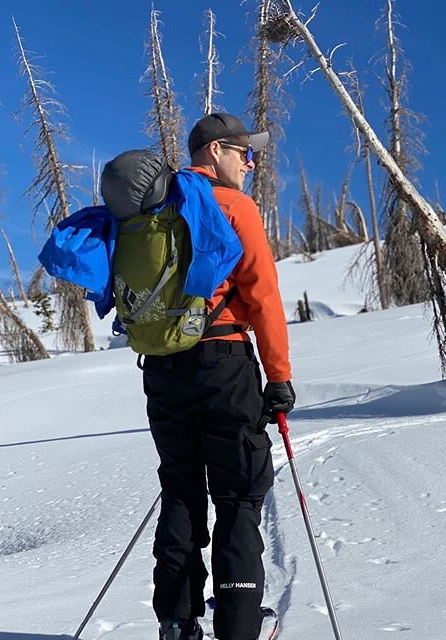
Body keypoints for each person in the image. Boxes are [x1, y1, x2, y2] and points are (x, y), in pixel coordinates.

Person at [143, 112, 295, 640]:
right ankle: (238, 626)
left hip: (162, 370)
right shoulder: (233, 205)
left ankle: (178, 624)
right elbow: (263, 297)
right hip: (223, 363)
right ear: (213, 152)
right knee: (238, 494)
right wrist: (278, 378)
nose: (251, 163)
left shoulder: (154, 208)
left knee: (182, 492)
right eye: (243, 152)